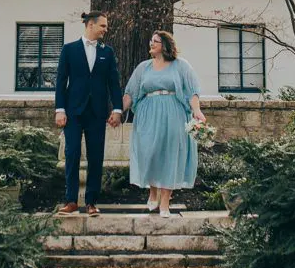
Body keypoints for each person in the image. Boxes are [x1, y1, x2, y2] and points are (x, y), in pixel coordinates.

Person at [123, 30, 206, 217]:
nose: (151, 44)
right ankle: (152, 191)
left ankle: (165, 203)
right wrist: (118, 111)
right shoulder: (143, 67)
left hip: (173, 113)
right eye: (151, 40)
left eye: (156, 41)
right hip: (147, 114)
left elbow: (192, 91)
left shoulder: (180, 66)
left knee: (169, 155)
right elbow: (131, 92)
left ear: (165, 45)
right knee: (149, 152)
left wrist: (197, 110)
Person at [54, 11, 123, 217]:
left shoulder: (107, 52)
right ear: (90, 25)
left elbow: (114, 82)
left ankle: (92, 202)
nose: (105, 29)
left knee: (96, 157)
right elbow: (60, 81)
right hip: (73, 112)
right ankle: (71, 201)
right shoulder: (69, 50)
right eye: (102, 25)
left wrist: (117, 109)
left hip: (97, 112)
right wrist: (60, 109)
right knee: (72, 153)